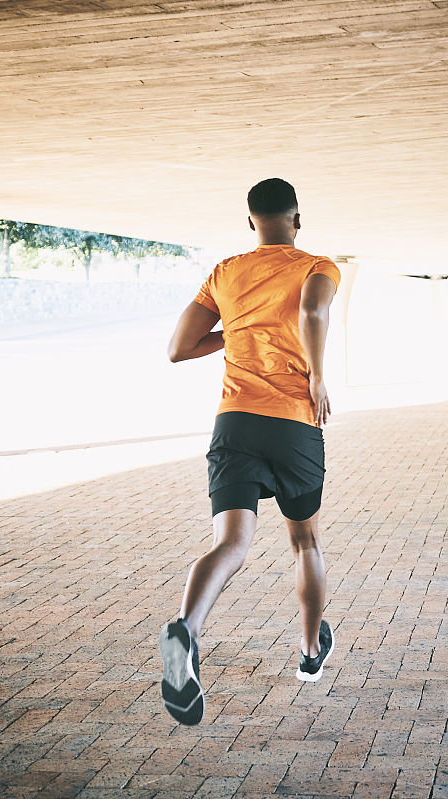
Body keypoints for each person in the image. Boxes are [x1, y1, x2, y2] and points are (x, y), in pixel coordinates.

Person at [159, 178, 340, 725]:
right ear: (297, 218)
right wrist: (318, 380)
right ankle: (310, 653)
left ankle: (186, 629)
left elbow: (178, 348)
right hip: (291, 423)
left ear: (251, 221)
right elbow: (312, 313)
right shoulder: (319, 266)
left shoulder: (225, 272)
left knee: (231, 543)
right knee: (304, 540)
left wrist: (236, 332)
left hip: (234, 422)